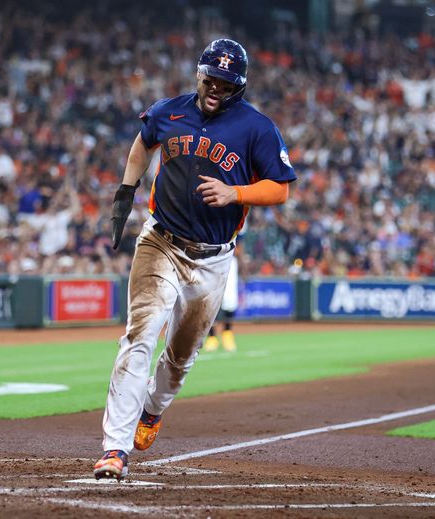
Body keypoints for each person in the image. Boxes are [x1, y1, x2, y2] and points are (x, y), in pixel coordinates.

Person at [94, 39, 296, 480]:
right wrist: (125, 194)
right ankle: (115, 448)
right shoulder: (169, 111)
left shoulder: (256, 128)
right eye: (211, 78)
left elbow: (280, 188)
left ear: (238, 87)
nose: (216, 88)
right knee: (140, 336)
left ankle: (152, 409)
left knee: (180, 357)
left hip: (211, 259)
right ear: (199, 73)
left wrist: (236, 192)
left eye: (226, 83)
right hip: (160, 241)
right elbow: (142, 143)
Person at [203, 252, 239, 352]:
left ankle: (227, 334)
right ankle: (212, 337)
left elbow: (239, 245)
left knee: (229, 299)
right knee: (212, 298)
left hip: (230, 256)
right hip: (212, 256)